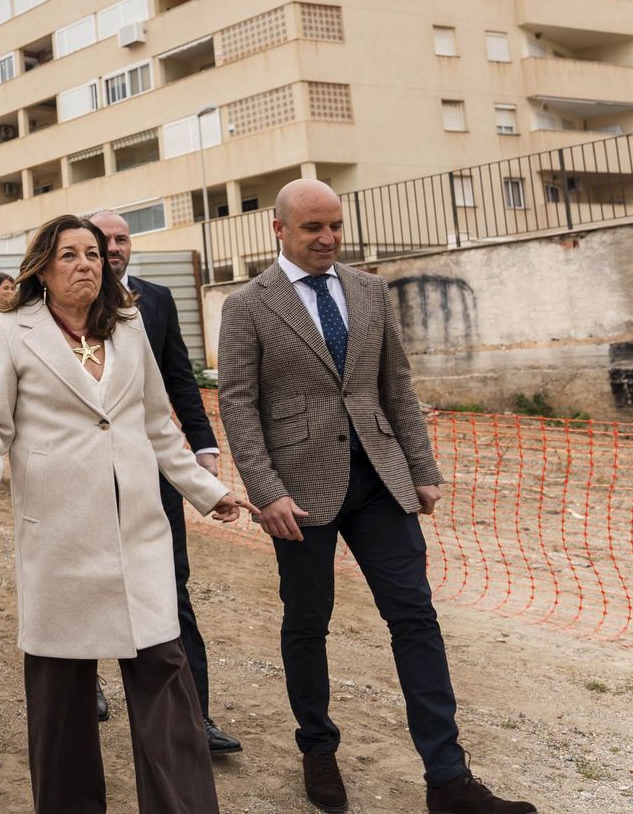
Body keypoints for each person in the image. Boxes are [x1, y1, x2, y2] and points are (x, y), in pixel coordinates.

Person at [217, 179, 535, 814]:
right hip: (299, 494)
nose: (328, 238)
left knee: (415, 618)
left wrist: (422, 467)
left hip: (381, 482)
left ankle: (448, 780)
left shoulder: (368, 290)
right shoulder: (248, 305)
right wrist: (266, 490)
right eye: (312, 228)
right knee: (308, 624)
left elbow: (396, 384)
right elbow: (238, 402)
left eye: (335, 225)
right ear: (279, 230)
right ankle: (318, 748)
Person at [0, 215, 252, 813]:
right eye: (69, 254)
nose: (86, 263)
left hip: (136, 532)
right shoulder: (14, 330)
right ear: (43, 266)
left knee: (165, 680)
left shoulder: (130, 325)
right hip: (60, 538)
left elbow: (156, 424)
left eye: (92, 253)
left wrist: (206, 489)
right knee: (61, 703)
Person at [88, 209, 241, 754]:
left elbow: (179, 375)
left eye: (121, 239)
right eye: (101, 239)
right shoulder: (59, 305)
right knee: (90, 581)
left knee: (172, 585)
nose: (112, 248)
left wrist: (203, 446)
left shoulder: (157, 300)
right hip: (88, 475)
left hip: (153, 469)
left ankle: (195, 716)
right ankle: (88, 686)